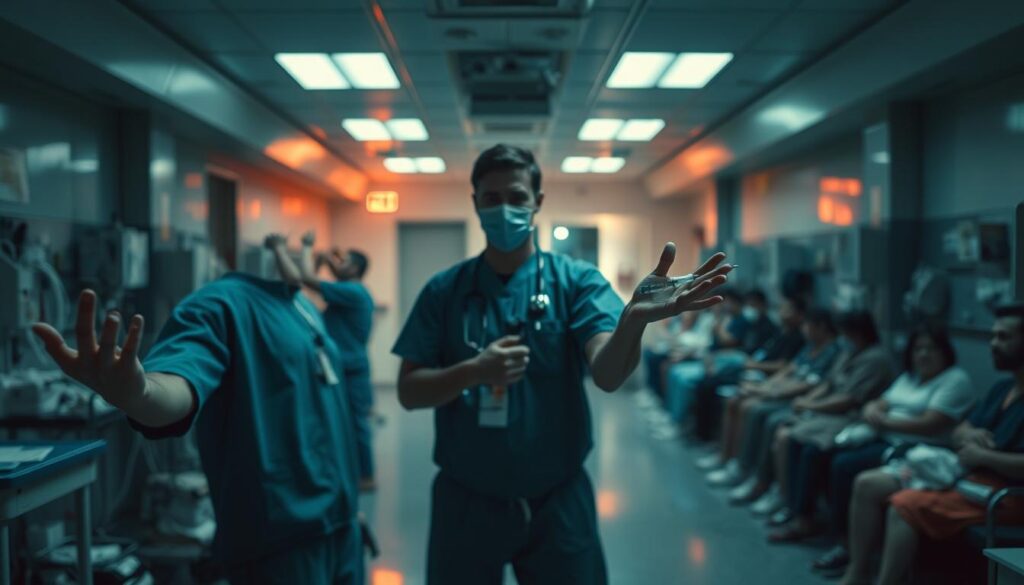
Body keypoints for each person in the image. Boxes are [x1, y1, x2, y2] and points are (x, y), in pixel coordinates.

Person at [391, 144, 732, 584]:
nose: (505, 209)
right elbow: (408, 391)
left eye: (516, 196)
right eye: (491, 199)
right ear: (475, 203)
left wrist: (630, 323)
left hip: (557, 498)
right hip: (466, 499)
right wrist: (473, 371)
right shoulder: (444, 291)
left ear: (538, 201)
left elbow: (608, 375)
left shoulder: (576, 282)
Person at [32, 276, 363, 583]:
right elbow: (179, 381)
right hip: (283, 540)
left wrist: (350, 510)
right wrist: (142, 393)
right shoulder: (219, 304)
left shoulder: (301, 304)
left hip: (343, 525)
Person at [841, 305, 1024, 585]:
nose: (993, 344)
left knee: (903, 505)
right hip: (970, 478)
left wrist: (984, 455)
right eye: (993, 336)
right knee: (868, 483)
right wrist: (969, 435)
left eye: (1004, 337)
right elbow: (961, 427)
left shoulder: (961, 380)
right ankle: (858, 570)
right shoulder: (1002, 389)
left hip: (1006, 496)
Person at [769, 323, 972, 554]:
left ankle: (846, 544)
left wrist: (883, 421)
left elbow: (930, 423)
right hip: (882, 435)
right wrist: (873, 411)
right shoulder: (910, 377)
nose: (923, 355)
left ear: (945, 352)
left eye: (931, 349)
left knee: (844, 465)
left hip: (914, 447)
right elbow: (879, 403)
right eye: (918, 349)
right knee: (821, 452)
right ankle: (815, 521)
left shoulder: (954, 380)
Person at [267, 232, 378, 491]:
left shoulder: (353, 291)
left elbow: (306, 279)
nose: (338, 265)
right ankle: (354, 472)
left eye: (345, 261)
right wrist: (330, 257)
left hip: (352, 369)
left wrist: (305, 246)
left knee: (357, 424)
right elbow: (323, 275)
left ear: (355, 269)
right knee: (345, 422)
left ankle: (367, 476)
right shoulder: (351, 289)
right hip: (345, 366)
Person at [699, 308, 843, 485]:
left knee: (754, 410)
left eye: (807, 325)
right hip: (779, 390)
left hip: (797, 397)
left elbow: (810, 384)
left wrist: (770, 392)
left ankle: (752, 474)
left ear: (821, 327)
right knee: (734, 400)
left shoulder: (833, 351)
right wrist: (764, 387)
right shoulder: (810, 347)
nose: (804, 328)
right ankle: (727, 458)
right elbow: (789, 370)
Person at [690, 295, 808, 443]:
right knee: (707, 382)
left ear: (800, 315)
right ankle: (704, 437)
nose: (782, 312)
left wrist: (752, 365)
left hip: (763, 375)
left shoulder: (796, 338)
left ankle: (709, 440)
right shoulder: (780, 333)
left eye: (787, 310)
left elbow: (784, 366)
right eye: (782, 308)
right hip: (754, 368)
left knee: (713, 388)